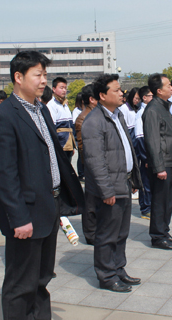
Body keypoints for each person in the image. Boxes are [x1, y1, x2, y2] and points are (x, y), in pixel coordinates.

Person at [0, 51, 83, 320]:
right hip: (25, 214)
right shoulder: (4, 116)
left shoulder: (41, 108)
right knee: (21, 283)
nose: (44, 80)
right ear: (18, 77)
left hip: (48, 206)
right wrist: (18, 217)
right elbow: (4, 174)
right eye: (38, 75)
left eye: (44, 74)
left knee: (42, 278)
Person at [82, 74, 142, 293]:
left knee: (121, 232)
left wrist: (133, 178)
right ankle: (106, 275)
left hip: (123, 183)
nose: (121, 93)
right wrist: (106, 190)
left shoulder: (118, 115)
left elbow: (127, 149)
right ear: (102, 95)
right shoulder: (94, 121)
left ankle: (118, 268)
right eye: (116, 90)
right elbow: (95, 160)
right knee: (107, 234)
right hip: (109, 188)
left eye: (121, 90)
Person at [143, 74, 172, 250]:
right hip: (163, 163)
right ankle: (158, 236)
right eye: (168, 86)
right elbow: (153, 141)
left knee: (168, 200)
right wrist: (159, 167)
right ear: (159, 91)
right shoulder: (152, 110)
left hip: (171, 160)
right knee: (160, 201)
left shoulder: (164, 107)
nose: (171, 88)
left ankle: (164, 231)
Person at [76, 84, 98, 245]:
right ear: (91, 99)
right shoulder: (84, 118)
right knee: (90, 201)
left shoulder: (95, 114)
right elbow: (83, 146)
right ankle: (90, 233)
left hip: (96, 163)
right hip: (91, 164)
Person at [133, 86, 153, 220]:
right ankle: (145, 208)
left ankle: (150, 206)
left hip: (152, 154)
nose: (153, 98)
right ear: (144, 98)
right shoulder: (141, 113)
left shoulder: (150, 111)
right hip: (145, 155)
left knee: (151, 183)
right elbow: (140, 137)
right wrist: (146, 158)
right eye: (151, 96)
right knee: (145, 183)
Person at [46, 77, 75, 161]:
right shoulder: (51, 105)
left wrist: (72, 145)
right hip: (60, 144)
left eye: (65, 88)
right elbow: (52, 128)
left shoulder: (65, 105)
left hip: (68, 144)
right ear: (54, 89)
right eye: (61, 88)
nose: (64, 90)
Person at [72, 93, 84, 181]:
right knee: (80, 155)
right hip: (78, 136)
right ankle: (81, 173)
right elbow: (75, 124)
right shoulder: (76, 111)